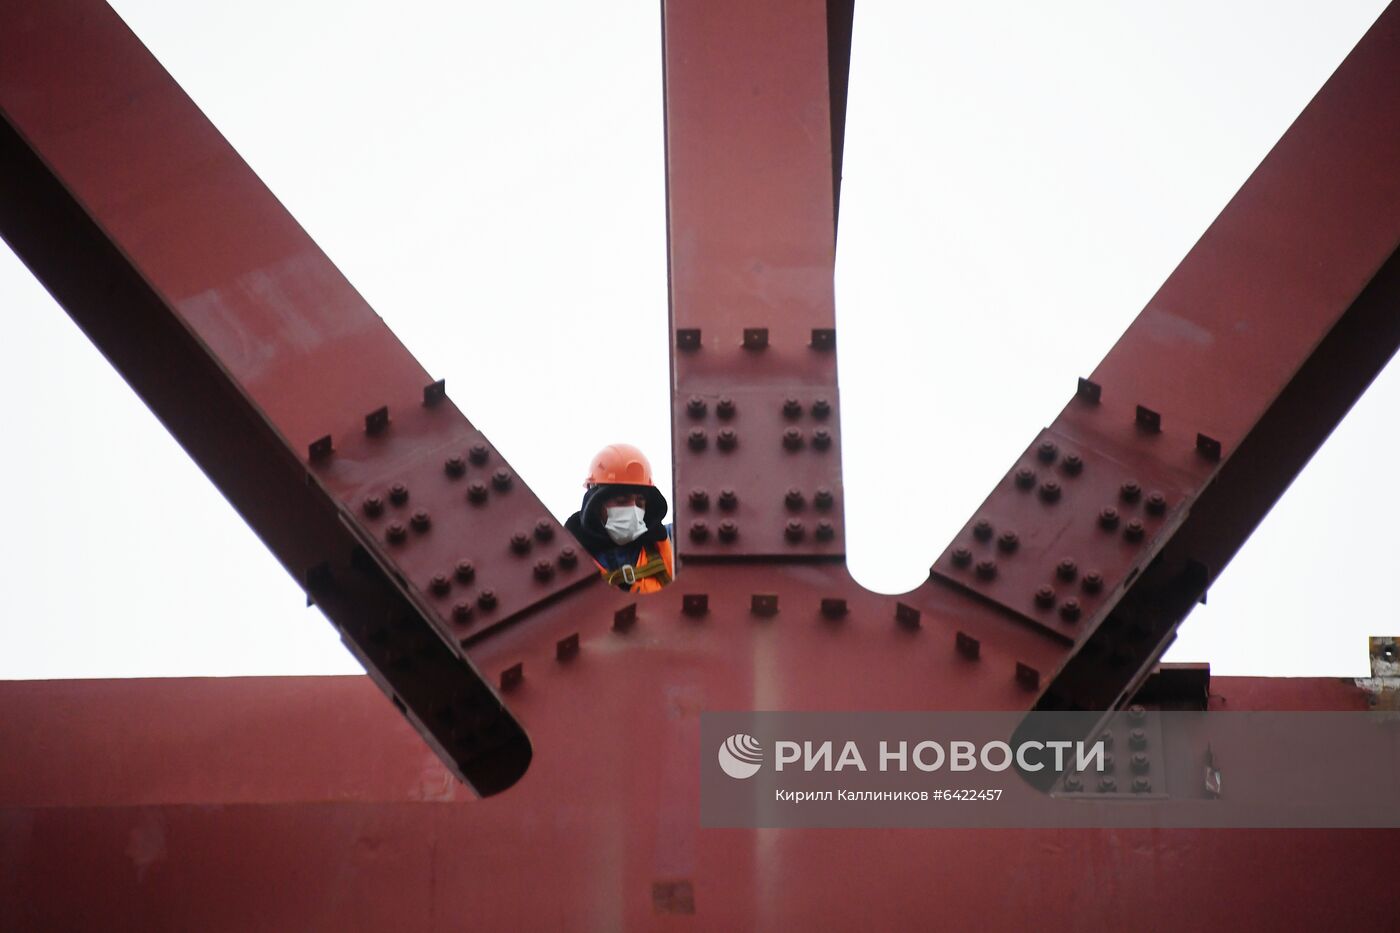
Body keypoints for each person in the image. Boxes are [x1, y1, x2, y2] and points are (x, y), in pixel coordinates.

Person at [565, 443, 674, 593]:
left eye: (639, 502)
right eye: (621, 500)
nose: (633, 510)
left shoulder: (669, 541)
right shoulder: (567, 557)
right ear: (596, 504)